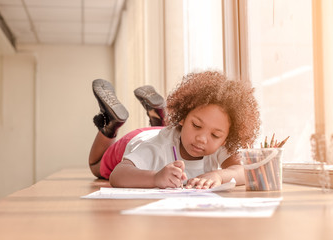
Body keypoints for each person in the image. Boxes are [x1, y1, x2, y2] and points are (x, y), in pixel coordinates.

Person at [88, 70, 260, 189]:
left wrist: (219, 175)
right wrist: (155, 178)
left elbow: (245, 171)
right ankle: (109, 124)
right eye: (197, 126)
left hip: (167, 131)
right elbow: (117, 175)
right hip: (138, 140)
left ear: (226, 137)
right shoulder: (155, 147)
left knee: (170, 132)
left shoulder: (219, 145)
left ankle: (159, 119)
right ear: (183, 117)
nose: (202, 138)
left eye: (215, 135)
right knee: (96, 166)